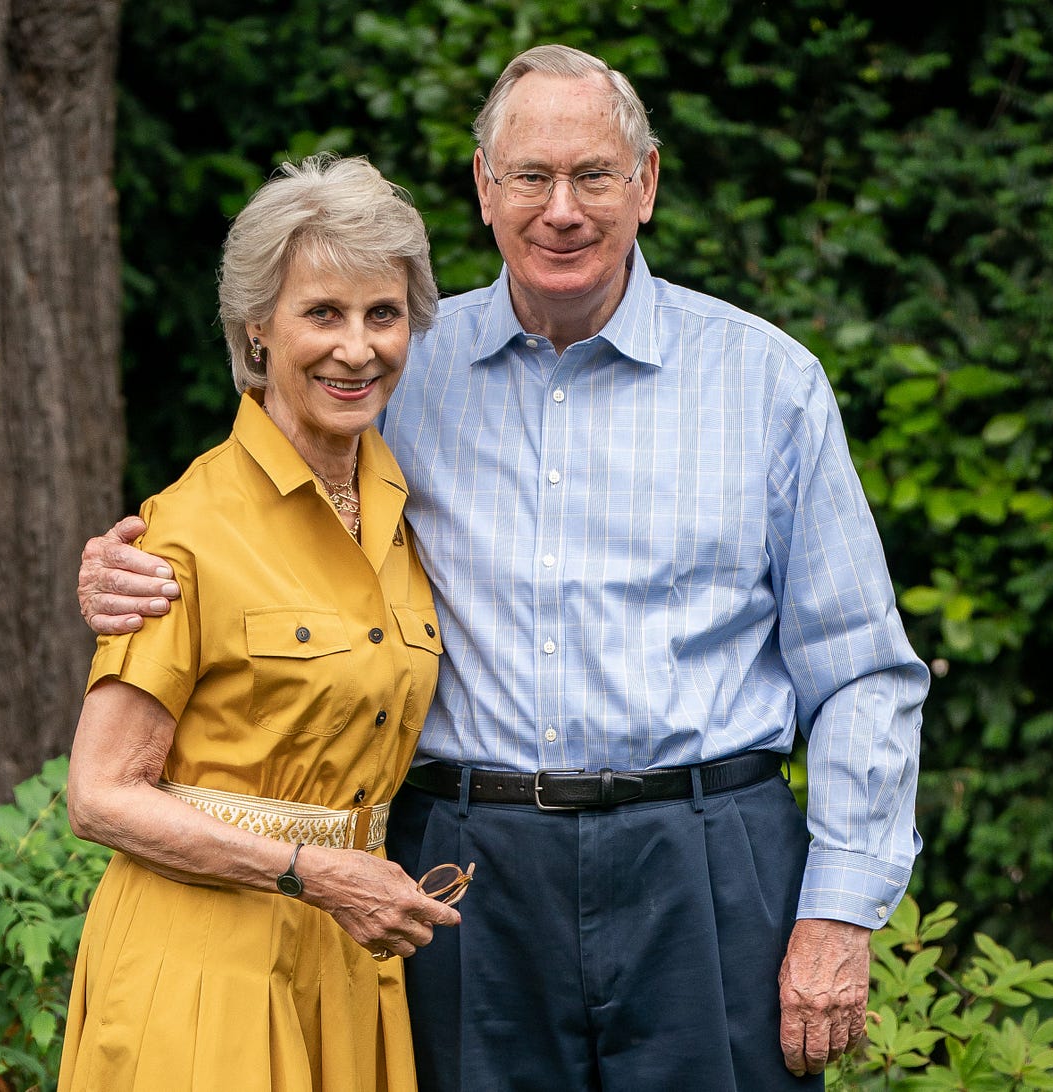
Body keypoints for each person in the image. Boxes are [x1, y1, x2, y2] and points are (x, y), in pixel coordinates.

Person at [78, 45, 928, 1091]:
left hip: (706, 864)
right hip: (467, 873)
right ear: (484, 191)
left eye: (593, 175)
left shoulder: (766, 382)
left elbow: (862, 672)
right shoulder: (396, 370)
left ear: (646, 184)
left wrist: (837, 912)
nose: (560, 209)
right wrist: (123, 573)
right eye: (529, 176)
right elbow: (261, 521)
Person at [57, 153, 465, 1092]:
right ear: (257, 328)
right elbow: (100, 795)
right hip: (202, 968)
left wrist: (338, 884)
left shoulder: (403, 513)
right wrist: (313, 873)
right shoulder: (184, 528)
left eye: (383, 315)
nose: (356, 349)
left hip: (349, 966)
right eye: (322, 314)